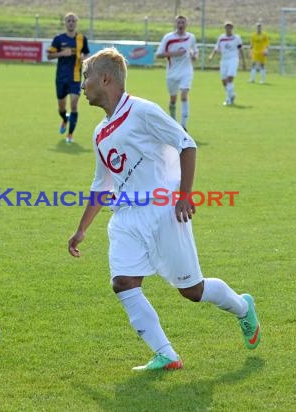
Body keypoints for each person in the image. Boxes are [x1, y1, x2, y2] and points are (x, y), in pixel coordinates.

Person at [68, 48, 261, 371]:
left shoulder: (142, 111)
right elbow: (101, 184)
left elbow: (186, 143)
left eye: (86, 77)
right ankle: (166, 354)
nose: (82, 84)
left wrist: (184, 195)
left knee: (192, 290)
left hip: (163, 212)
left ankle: (243, 307)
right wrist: (82, 228)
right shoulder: (99, 132)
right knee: (124, 283)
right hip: (127, 217)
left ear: (105, 78)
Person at [47, 12, 90, 143]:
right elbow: (49, 56)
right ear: (65, 23)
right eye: (69, 21)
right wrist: (61, 53)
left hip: (75, 77)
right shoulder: (58, 39)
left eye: (73, 21)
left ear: (76, 23)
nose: (71, 23)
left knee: (74, 104)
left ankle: (70, 134)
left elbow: (87, 54)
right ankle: (65, 119)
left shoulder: (82, 39)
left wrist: (85, 58)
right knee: (61, 107)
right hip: (61, 77)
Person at [155, 15, 199, 131]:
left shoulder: (191, 37)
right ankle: (173, 121)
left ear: (186, 24)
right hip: (172, 72)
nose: (181, 24)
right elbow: (158, 54)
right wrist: (174, 53)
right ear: (175, 24)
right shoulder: (168, 38)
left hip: (186, 71)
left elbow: (195, 51)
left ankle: (183, 126)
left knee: (184, 95)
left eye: (183, 22)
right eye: (178, 22)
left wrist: (195, 56)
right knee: (173, 99)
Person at [208, 21, 246, 106]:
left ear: (232, 28)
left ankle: (228, 99)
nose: (228, 28)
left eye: (229, 27)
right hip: (224, 60)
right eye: (226, 27)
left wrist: (243, 62)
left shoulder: (236, 38)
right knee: (224, 81)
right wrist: (211, 56)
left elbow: (241, 49)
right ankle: (231, 95)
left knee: (229, 79)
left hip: (233, 59)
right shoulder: (221, 38)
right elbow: (216, 48)